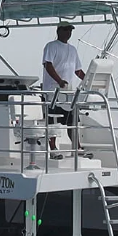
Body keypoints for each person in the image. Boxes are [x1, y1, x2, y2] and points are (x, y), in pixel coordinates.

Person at [41, 21, 84, 152]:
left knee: (73, 122)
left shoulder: (73, 49)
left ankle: (77, 148)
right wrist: (59, 81)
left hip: (68, 94)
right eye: (65, 29)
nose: (68, 32)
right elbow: (48, 65)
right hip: (52, 92)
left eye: (70, 30)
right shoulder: (51, 46)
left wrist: (88, 81)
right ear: (58, 31)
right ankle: (53, 148)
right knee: (52, 122)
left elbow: (78, 71)